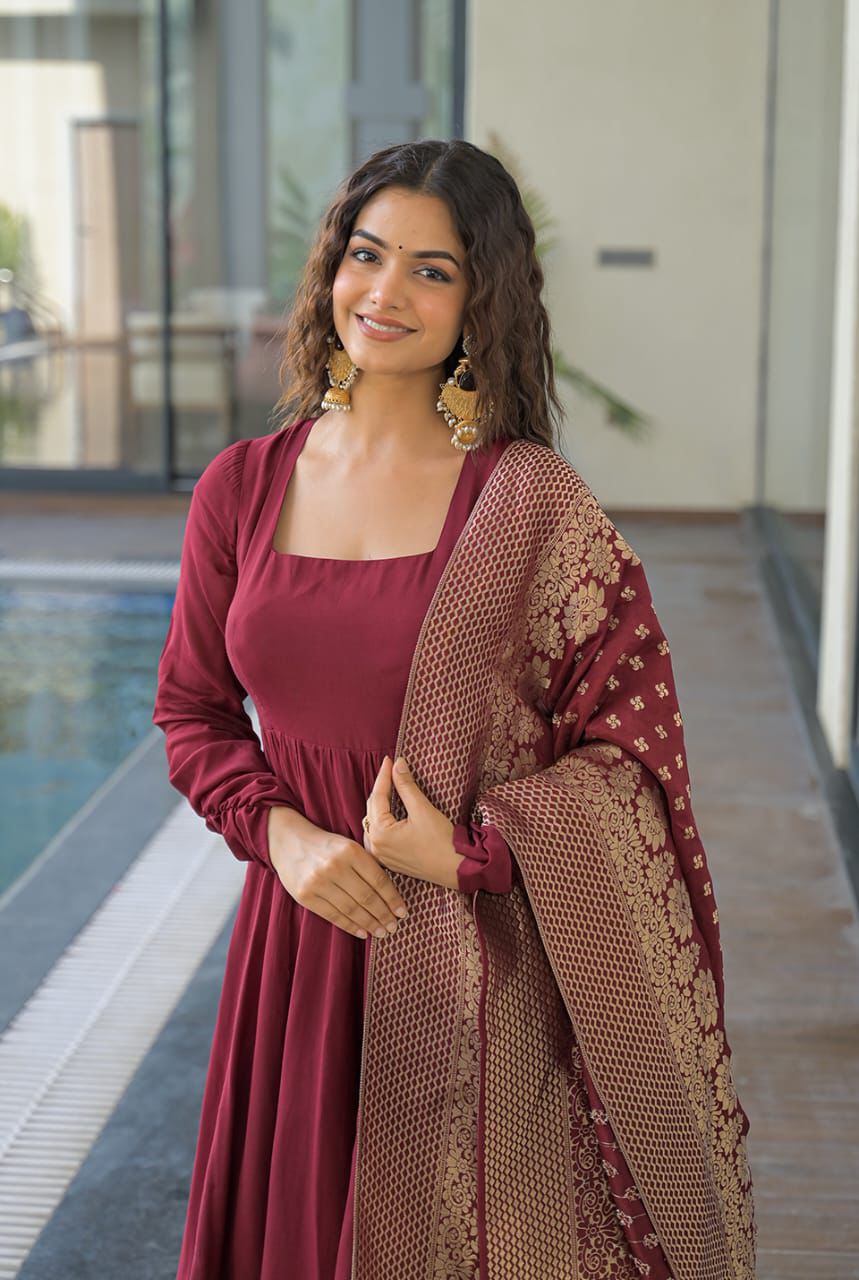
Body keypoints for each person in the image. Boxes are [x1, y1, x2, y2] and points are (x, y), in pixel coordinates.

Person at [152, 138, 755, 1280]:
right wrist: (285, 840)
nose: (384, 293)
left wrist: (474, 849)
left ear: (482, 298)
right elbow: (193, 709)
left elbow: (631, 755)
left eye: (431, 269)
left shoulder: (529, 504)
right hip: (295, 947)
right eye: (366, 255)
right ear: (331, 266)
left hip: (467, 963)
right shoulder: (242, 483)